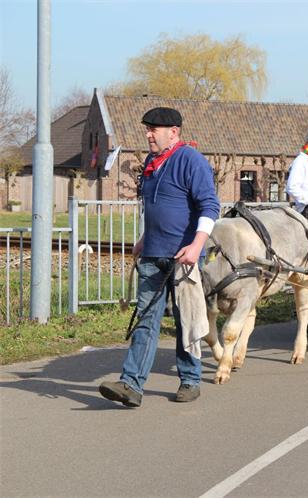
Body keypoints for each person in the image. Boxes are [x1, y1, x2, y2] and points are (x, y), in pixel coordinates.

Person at [99, 107, 220, 407]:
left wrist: (196, 246)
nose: (148, 135)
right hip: (153, 254)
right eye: (147, 129)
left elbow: (210, 206)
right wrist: (144, 239)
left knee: (186, 320)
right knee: (146, 319)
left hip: (183, 257)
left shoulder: (191, 160)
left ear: (173, 132)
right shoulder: (152, 163)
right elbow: (157, 207)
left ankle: (190, 380)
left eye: (153, 129)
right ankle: (131, 384)